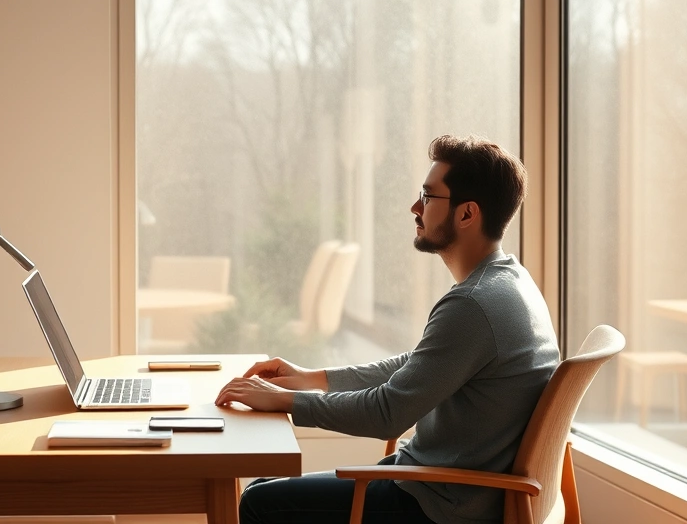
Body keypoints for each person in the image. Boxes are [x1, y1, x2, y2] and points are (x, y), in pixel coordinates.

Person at [215, 134, 562, 524]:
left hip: (435, 503)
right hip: (442, 485)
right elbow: (417, 367)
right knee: (262, 488)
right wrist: (312, 379)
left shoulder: (473, 304)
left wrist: (285, 402)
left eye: (429, 197)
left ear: (467, 215)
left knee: (258, 502)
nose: (415, 207)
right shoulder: (510, 282)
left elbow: (388, 412)